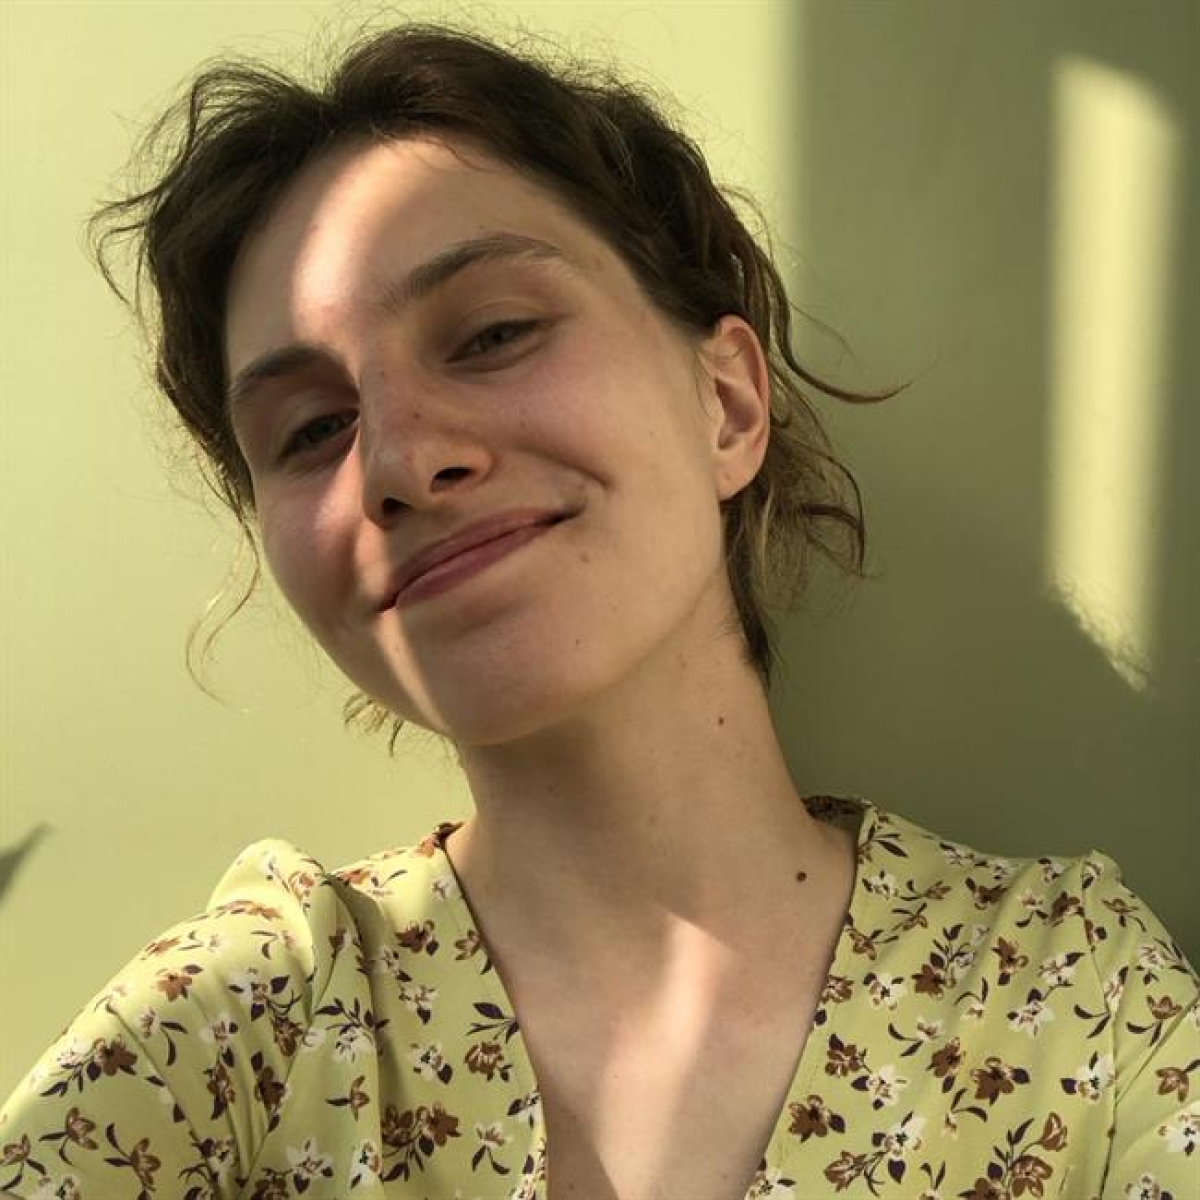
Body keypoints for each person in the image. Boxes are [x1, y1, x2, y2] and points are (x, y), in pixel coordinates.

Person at [2, 22, 1196, 1200]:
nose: (399, 462)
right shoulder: (238, 1031)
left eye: (494, 334)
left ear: (727, 404)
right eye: (312, 430)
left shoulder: (1072, 1000)